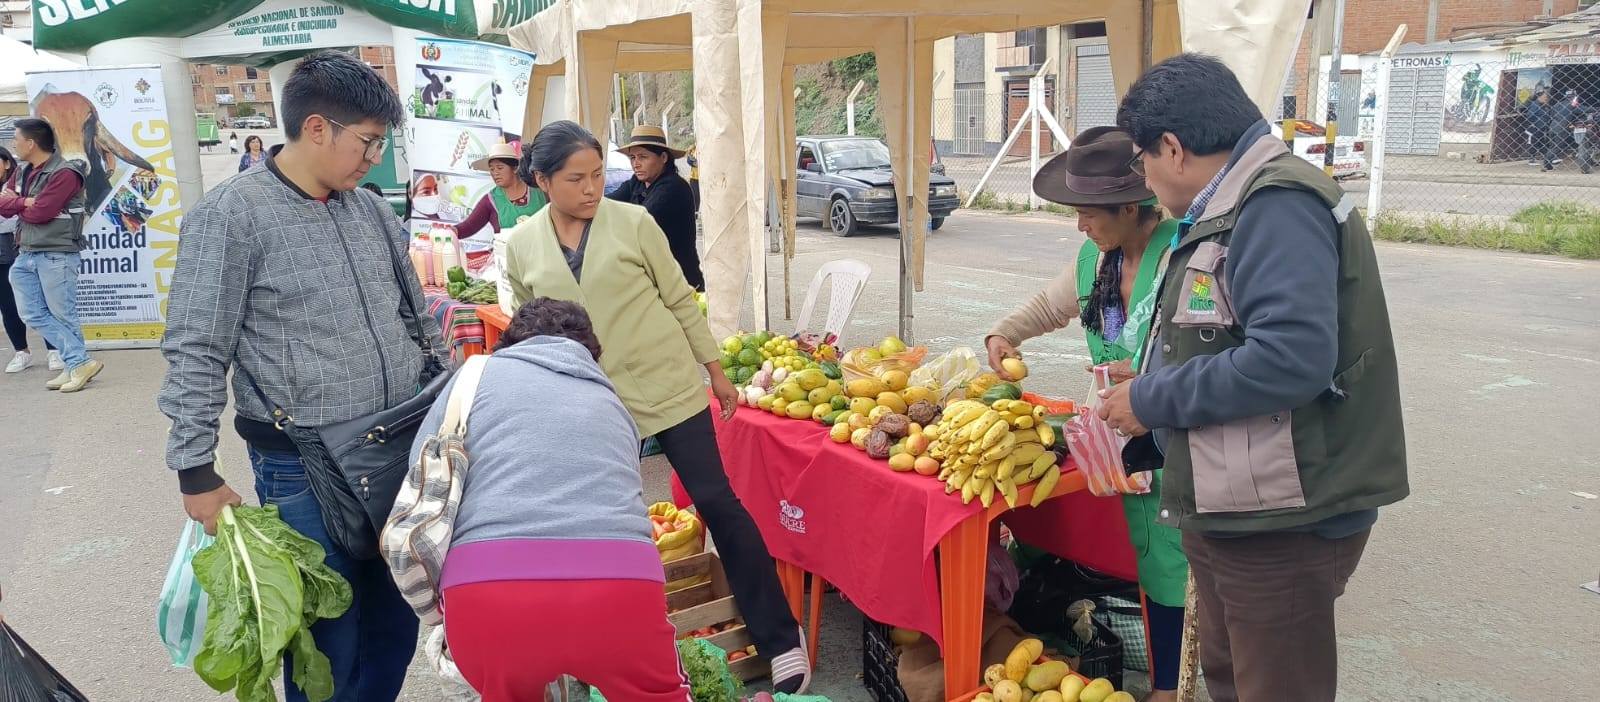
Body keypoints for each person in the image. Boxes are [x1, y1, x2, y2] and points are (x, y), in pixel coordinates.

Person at [1100, 54, 1408, 702]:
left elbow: (1289, 358)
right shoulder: (1234, 202)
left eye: (1141, 160)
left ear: (1174, 148)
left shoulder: (1276, 202)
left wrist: (1153, 397)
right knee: (1232, 679)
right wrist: (1157, 367)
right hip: (1239, 504)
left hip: (1286, 517)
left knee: (1273, 686)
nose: (1143, 178)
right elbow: (1231, 328)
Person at [158, 51, 441, 702]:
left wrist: (448, 391)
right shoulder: (233, 215)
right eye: (368, 143)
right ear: (317, 129)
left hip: (395, 447)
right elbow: (197, 345)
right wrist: (194, 469)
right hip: (305, 467)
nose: (375, 158)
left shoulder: (368, 210)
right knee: (327, 639)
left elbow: (415, 314)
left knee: (396, 624)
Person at [504, 121, 810, 693]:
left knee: (718, 501)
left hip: (668, 385)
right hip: (592, 402)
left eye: (598, 174)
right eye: (577, 179)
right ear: (543, 181)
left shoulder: (634, 223)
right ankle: (627, 649)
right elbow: (532, 330)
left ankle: (781, 640)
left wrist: (716, 372)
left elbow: (679, 298)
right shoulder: (521, 247)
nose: (593, 188)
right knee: (611, 524)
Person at [985, 126, 1187, 702]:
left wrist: (1152, 385)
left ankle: (1172, 685)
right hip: (1118, 442)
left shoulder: (1181, 255)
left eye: (1089, 214)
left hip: (1175, 441)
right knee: (1146, 561)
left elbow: (1218, 353)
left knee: (1175, 567)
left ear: (1131, 205)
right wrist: (1006, 332)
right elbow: (1053, 303)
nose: (1080, 225)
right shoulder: (1094, 260)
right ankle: (1158, 667)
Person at [420, 297, 691, 701]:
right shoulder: (612, 401)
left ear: (507, 344)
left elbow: (423, 475)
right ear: (590, 355)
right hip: (618, 590)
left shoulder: (470, 382)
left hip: (489, 594)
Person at [0, 118, 99, 392]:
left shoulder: (65, 173)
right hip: (27, 252)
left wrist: (21, 204)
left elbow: (41, 212)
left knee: (62, 314)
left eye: (16, 139)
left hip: (56, 253)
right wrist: (24, 202)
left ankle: (75, 365)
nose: (13, 145)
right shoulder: (22, 172)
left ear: (30, 143)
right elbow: (3, 203)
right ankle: (77, 362)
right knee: (31, 313)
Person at [608, 125, 703, 291]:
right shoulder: (636, 183)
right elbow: (607, 204)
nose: (636, 164)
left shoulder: (674, 188)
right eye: (632, 158)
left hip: (681, 284)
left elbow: (639, 221)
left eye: (643, 157)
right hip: (653, 281)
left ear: (664, 157)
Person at [0, 145, 57, 374]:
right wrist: (18, 204)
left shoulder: (23, 179)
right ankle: (21, 352)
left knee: (39, 299)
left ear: (5, 162)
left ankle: (54, 350)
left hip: (26, 242)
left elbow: (33, 207)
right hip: (1, 249)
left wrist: (17, 203)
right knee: (8, 304)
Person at [451, 142, 547, 241]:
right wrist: (451, 231)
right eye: (491, 169)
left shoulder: (539, 190)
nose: (495, 173)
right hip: (506, 254)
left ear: (514, 168)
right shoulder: (490, 200)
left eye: (500, 168)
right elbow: (470, 226)